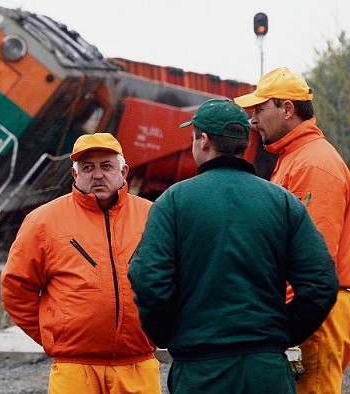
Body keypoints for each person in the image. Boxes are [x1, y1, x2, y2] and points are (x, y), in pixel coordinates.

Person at [127, 99, 338, 394]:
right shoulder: (283, 202)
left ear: (203, 141)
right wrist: (284, 332)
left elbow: (148, 277)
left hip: (201, 369)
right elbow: (322, 282)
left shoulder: (174, 202)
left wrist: (167, 333)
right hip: (267, 370)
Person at [1, 133, 161, 394]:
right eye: (88, 167)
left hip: (138, 365)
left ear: (124, 171)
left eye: (106, 166)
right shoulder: (43, 221)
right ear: (75, 176)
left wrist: (158, 328)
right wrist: (53, 335)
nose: (97, 175)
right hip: (75, 369)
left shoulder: (153, 216)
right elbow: (16, 288)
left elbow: (174, 279)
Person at [235, 67, 350, 393]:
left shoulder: (312, 163)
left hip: (313, 314)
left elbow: (313, 263)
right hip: (312, 311)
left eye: (259, 109)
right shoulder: (297, 157)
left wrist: (288, 321)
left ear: (287, 109)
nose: (252, 120)